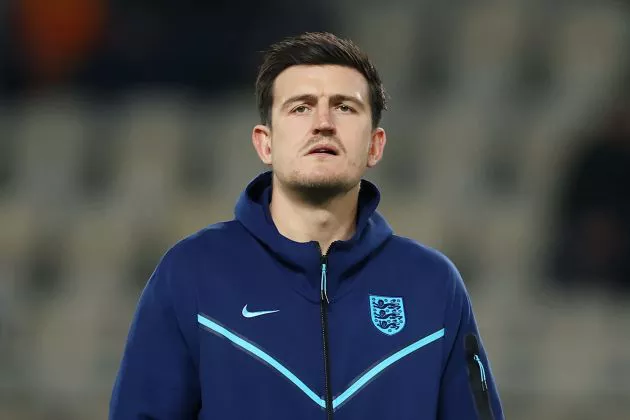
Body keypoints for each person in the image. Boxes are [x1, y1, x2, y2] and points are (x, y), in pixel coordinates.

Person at [110, 32, 504, 420]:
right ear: (265, 143)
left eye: (345, 107)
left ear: (375, 145)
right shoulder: (192, 274)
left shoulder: (432, 286)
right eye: (300, 108)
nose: (323, 123)